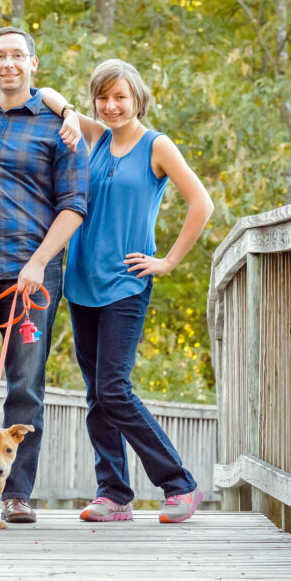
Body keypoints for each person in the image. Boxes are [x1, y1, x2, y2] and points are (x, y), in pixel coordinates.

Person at [40, 60, 213, 523]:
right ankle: (113, 494)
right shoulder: (95, 137)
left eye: (121, 97)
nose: (112, 106)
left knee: (114, 388)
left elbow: (202, 202)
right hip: (81, 282)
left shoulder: (157, 145)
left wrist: (168, 260)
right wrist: (73, 114)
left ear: (137, 98)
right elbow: (47, 93)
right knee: (96, 393)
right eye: (104, 97)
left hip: (125, 283)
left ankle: (180, 484)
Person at [0, 27, 89, 524]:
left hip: (34, 271)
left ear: (33, 63)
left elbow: (73, 207)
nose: (8, 64)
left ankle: (16, 495)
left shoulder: (59, 125)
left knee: (25, 385)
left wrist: (38, 263)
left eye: (17, 56)